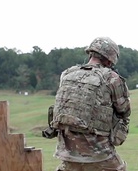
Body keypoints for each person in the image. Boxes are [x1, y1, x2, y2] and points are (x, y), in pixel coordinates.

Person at [51, 37, 131, 171]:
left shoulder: (67, 74)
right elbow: (124, 110)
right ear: (109, 59)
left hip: (67, 154)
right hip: (100, 154)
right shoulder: (111, 78)